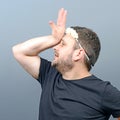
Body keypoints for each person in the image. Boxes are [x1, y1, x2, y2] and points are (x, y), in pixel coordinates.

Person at [12, 8, 120, 120]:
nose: (54, 47)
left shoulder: (103, 91)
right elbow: (19, 51)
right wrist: (53, 38)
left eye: (62, 44)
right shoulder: (49, 74)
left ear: (78, 54)